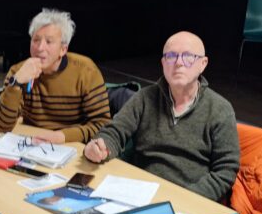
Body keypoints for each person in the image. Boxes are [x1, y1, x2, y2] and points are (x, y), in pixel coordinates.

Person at [83, 31, 240, 201]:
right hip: (140, 193)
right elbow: (114, 131)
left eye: (188, 57)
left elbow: (226, 170)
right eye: (171, 56)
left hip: (189, 199)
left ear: (203, 64)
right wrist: (100, 147)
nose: (179, 63)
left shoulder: (220, 109)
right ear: (163, 63)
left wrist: (187, 198)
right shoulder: (145, 97)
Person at [0, 8, 110, 144]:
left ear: (63, 49)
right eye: (36, 40)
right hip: (33, 144)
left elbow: (102, 125)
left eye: (49, 42)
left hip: (74, 146)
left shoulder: (86, 72)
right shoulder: (19, 71)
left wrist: (63, 136)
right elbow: (1, 127)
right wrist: (16, 84)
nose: (40, 48)